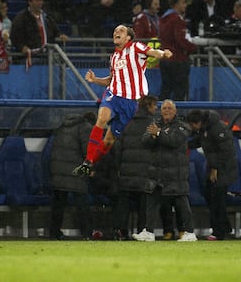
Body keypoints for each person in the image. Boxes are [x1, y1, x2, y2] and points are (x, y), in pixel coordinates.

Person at [72, 24, 173, 177]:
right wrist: (95, 80)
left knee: (109, 140)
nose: (116, 32)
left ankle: (90, 164)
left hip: (131, 102)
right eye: (115, 30)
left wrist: (163, 54)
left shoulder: (136, 47)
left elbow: (153, 52)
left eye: (121, 30)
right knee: (102, 118)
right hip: (113, 95)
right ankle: (87, 160)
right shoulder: (113, 57)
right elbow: (112, 80)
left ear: (128, 37)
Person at [132, 99, 197, 242]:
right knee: (151, 201)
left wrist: (159, 134)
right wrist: (154, 136)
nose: (166, 111)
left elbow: (174, 141)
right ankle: (148, 232)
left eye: (169, 108)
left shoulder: (182, 126)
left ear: (175, 111)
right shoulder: (155, 124)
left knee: (181, 201)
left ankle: (190, 232)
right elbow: (144, 141)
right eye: (163, 109)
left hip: (175, 173)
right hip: (157, 172)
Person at [186, 109, 237, 241]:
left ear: (198, 122)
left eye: (192, 125)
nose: (192, 128)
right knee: (210, 196)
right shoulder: (205, 129)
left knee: (217, 200)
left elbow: (226, 151)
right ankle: (225, 227)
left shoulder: (218, 128)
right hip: (213, 167)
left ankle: (219, 232)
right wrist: (182, 145)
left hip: (223, 169)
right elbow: (198, 141)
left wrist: (216, 167)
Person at [113, 95, 159, 241]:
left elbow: (118, 149)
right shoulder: (153, 125)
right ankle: (142, 232)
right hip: (144, 173)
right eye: (154, 105)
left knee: (124, 205)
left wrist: (119, 168)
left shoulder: (128, 123)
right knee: (143, 206)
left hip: (126, 173)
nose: (156, 108)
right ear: (149, 106)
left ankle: (121, 232)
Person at [49, 112, 97, 240]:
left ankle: (54, 233)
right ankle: (87, 233)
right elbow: (88, 150)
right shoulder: (86, 128)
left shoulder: (62, 127)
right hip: (75, 171)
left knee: (58, 204)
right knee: (82, 203)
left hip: (58, 170)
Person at [11, 0, 68, 65]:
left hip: (47, 55)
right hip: (30, 55)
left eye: (41, 0)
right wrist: (22, 47)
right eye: (37, 0)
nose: (40, 3)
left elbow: (56, 32)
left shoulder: (47, 17)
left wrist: (61, 36)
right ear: (30, 2)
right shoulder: (20, 18)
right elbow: (15, 36)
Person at [159, 0, 197, 101]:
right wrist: (193, 48)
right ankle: (178, 115)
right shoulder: (176, 19)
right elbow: (180, 39)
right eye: (183, 3)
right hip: (177, 59)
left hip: (165, 57)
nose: (185, 5)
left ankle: (159, 114)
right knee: (179, 91)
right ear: (177, 5)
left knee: (166, 88)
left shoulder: (163, 19)